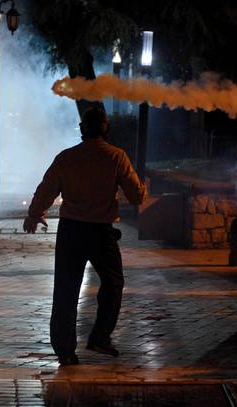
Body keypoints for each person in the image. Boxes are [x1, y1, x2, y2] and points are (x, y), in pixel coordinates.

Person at [23, 107, 147, 366]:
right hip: (101, 232)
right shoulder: (116, 157)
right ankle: (100, 337)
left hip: (71, 231)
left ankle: (65, 351)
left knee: (66, 290)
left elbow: (46, 189)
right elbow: (136, 196)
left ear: (82, 129)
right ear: (105, 127)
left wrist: (34, 214)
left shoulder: (66, 158)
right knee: (113, 283)